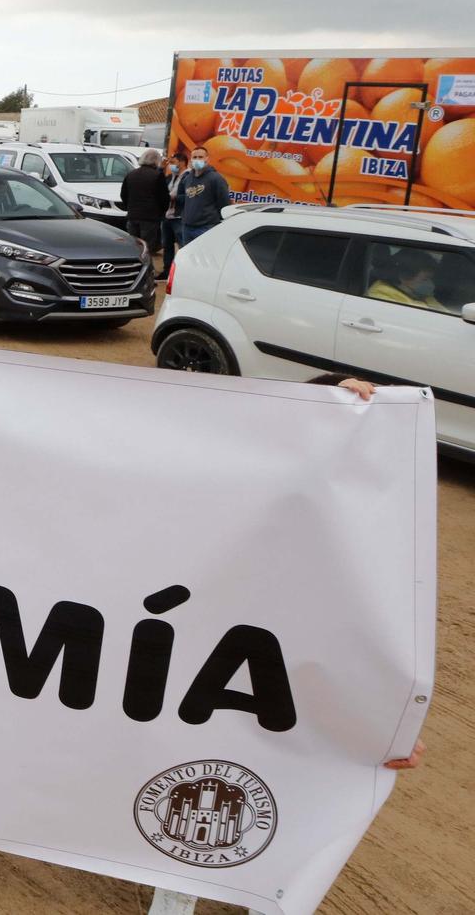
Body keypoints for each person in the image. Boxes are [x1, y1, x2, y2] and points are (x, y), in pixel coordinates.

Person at [145, 370, 425, 915]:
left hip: (293, 698)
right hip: (209, 689)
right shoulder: (222, 510)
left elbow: (375, 641)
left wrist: (389, 724)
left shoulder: (366, 556)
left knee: (290, 817)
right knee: (193, 810)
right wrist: (323, 390)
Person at [174, 145, 232, 245]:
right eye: (194, 157)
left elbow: (224, 203)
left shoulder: (216, 178)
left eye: (200, 157)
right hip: (187, 227)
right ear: (191, 159)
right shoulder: (187, 178)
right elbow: (184, 198)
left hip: (206, 228)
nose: (197, 160)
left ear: (207, 159)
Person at [366, 252, 454, 314]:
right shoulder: (381, 296)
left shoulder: (423, 296)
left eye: (431, 279)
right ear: (404, 276)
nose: (430, 284)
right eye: (425, 279)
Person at [120, 150, 170, 258]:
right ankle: (145, 269)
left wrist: (130, 207)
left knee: (134, 245)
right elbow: (164, 198)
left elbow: (123, 195)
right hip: (150, 218)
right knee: (147, 247)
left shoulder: (131, 174)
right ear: (156, 161)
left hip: (133, 215)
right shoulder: (157, 175)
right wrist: (162, 212)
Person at [161, 156, 185, 272]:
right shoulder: (171, 177)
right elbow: (160, 186)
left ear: (181, 163)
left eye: (173, 163)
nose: (171, 165)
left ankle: (180, 271)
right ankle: (167, 270)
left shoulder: (188, 177)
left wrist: (175, 198)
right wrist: (161, 169)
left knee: (182, 245)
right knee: (167, 244)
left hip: (179, 216)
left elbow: (189, 196)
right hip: (167, 215)